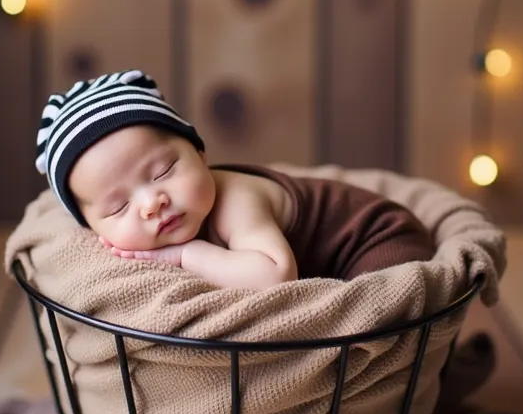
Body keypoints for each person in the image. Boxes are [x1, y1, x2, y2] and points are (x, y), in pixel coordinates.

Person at [36, 69, 435, 290]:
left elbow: (275, 277)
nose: (151, 202)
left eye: (162, 172)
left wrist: (184, 256)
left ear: (200, 152)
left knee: (372, 319)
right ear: (90, 226)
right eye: (118, 207)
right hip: (330, 263)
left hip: (381, 240)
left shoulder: (234, 200)